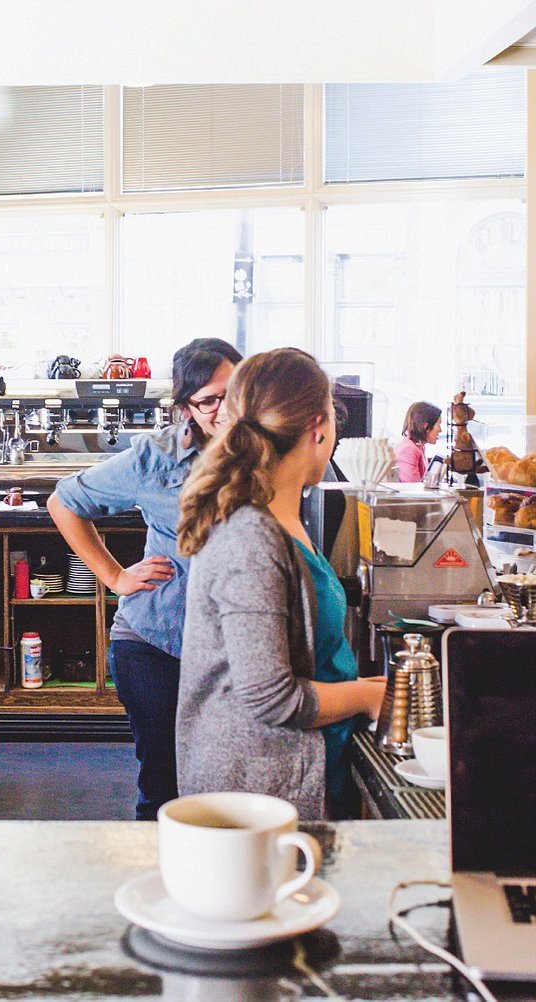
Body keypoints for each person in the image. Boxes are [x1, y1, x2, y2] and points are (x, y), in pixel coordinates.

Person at [176, 348, 386, 820]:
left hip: (298, 776)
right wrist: (369, 696)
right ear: (318, 426)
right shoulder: (251, 536)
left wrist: (368, 684)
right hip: (257, 798)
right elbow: (270, 696)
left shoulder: (282, 518)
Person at [47, 338, 243, 820]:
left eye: (234, 392)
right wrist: (113, 575)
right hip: (157, 642)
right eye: (208, 400)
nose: (224, 409)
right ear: (186, 408)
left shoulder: (266, 449)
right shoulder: (154, 459)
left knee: (228, 784)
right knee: (166, 784)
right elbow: (64, 501)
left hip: (234, 646)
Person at [395, 401, 442, 483]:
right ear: (426, 427)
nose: (440, 430)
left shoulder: (419, 446)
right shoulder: (409, 450)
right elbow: (413, 488)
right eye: (438, 425)